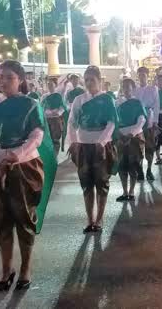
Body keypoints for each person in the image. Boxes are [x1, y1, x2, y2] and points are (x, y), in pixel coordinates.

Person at [0, 60, 47, 292]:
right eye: (1, 77)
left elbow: (37, 134)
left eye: (9, 77)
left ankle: (25, 269)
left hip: (24, 166)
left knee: (24, 220)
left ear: (21, 80)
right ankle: (6, 270)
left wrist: (18, 153)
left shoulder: (31, 104)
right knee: (1, 221)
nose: (3, 81)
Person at [66, 65, 118, 233]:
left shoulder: (107, 99)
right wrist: (74, 142)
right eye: (86, 80)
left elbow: (111, 122)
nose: (89, 83)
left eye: (92, 80)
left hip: (101, 147)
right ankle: (90, 219)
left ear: (99, 80)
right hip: (83, 146)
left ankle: (100, 218)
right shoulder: (79, 100)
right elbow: (71, 122)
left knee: (102, 183)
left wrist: (101, 142)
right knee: (87, 184)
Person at [115, 78, 146, 202]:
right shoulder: (117, 103)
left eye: (128, 86)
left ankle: (132, 192)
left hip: (134, 138)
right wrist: (119, 134)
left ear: (133, 88)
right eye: (124, 86)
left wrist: (131, 134)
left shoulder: (137, 102)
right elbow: (113, 121)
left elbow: (141, 120)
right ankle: (124, 192)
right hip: (121, 138)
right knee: (122, 166)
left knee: (133, 165)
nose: (126, 89)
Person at [134, 67, 159, 181]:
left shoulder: (153, 89)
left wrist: (155, 121)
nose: (141, 77)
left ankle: (149, 169)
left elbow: (156, 105)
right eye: (140, 75)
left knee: (150, 146)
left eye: (143, 75)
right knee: (138, 147)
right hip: (137, 121)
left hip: (149, 119)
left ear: (147, 76)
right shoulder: (135, 89)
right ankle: (140, 170)